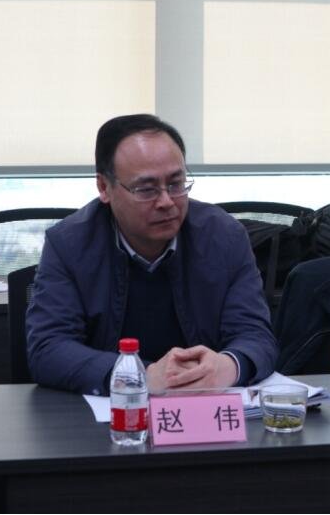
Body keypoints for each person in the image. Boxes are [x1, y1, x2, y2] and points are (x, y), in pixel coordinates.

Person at [27, 114, 278, 395]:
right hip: (113, 412)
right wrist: (140, 377)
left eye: (176, 184)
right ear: (104, 188)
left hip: (204, 407)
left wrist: (228, 365)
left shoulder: (224, 236)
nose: (166, 202)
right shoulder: (68, 244)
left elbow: (255, 335)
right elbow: (48, 349)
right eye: (146, 189)